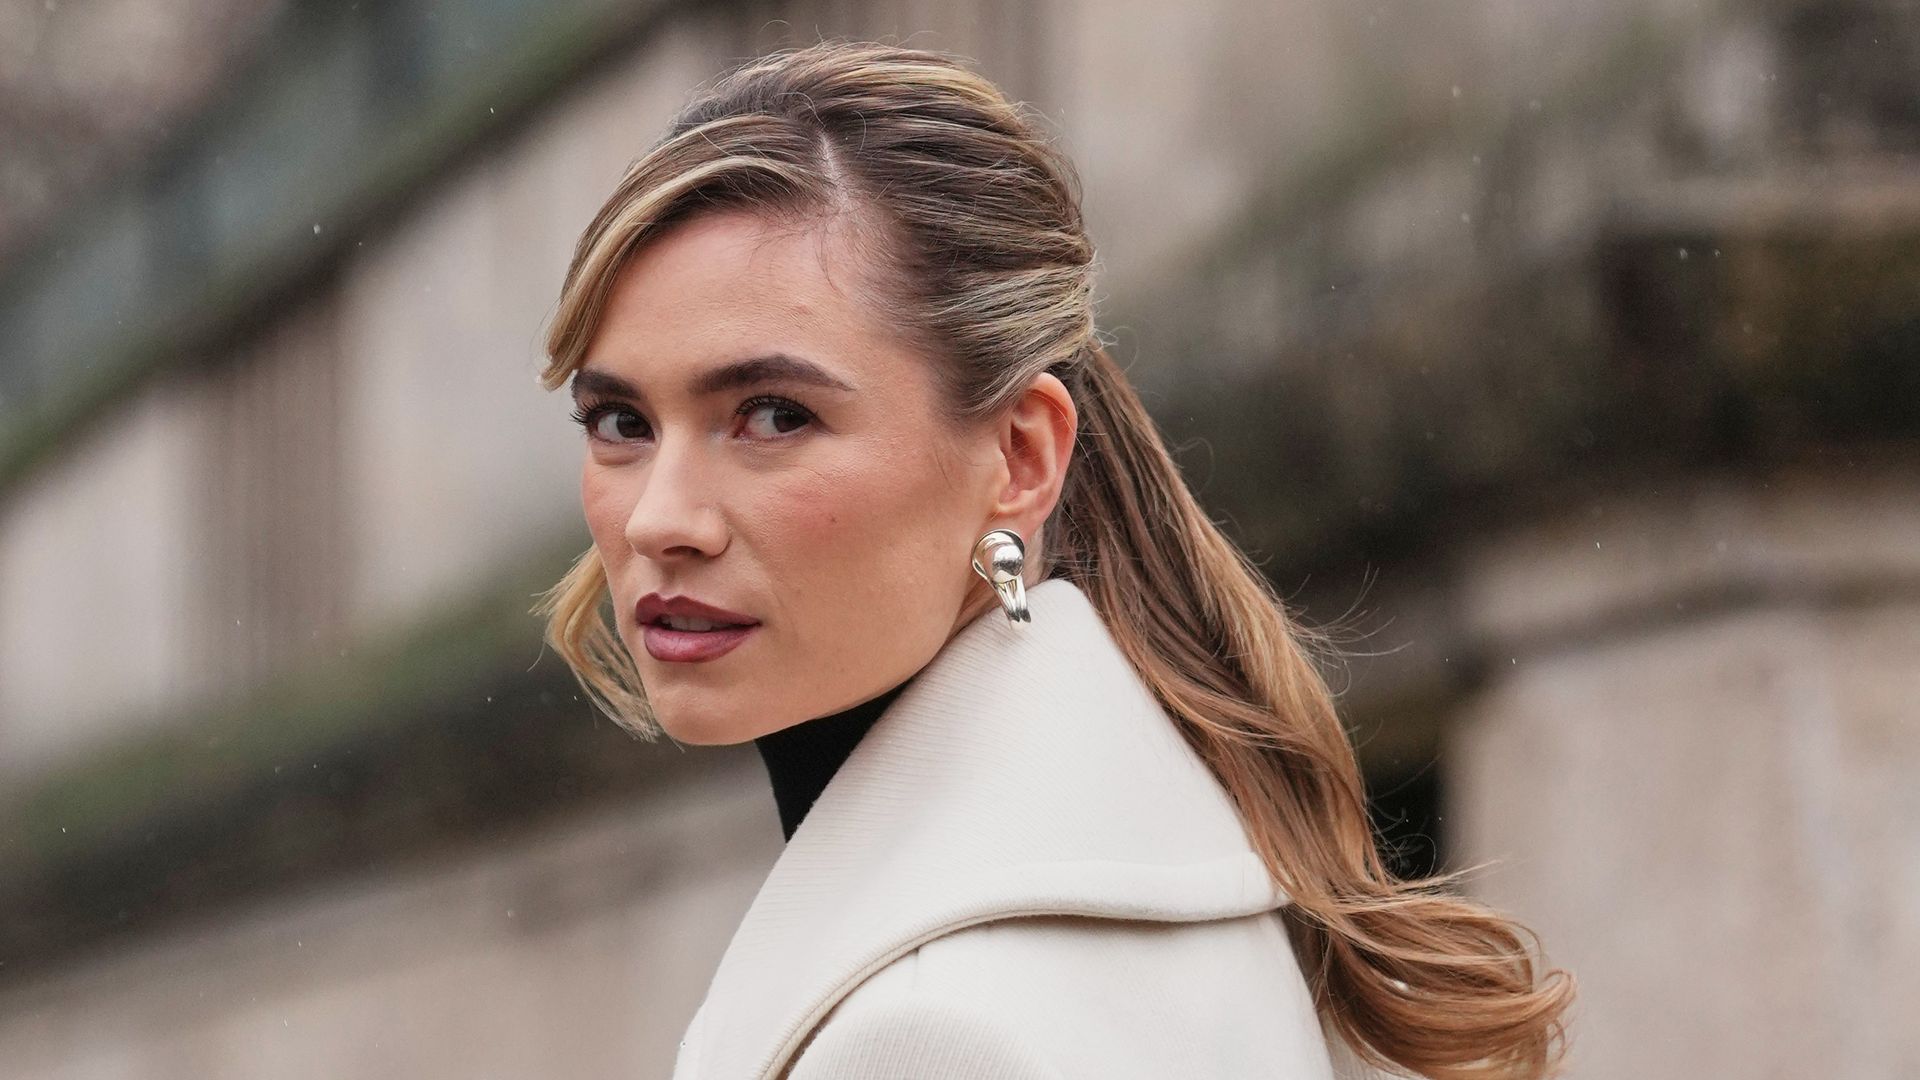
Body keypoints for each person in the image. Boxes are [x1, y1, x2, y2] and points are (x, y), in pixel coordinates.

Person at [531, 38, 1574, 1080]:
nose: (659, 519)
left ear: (1022, 457)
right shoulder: (1153, 859)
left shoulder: (932, 1032)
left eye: (773, 415)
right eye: (621, 421)